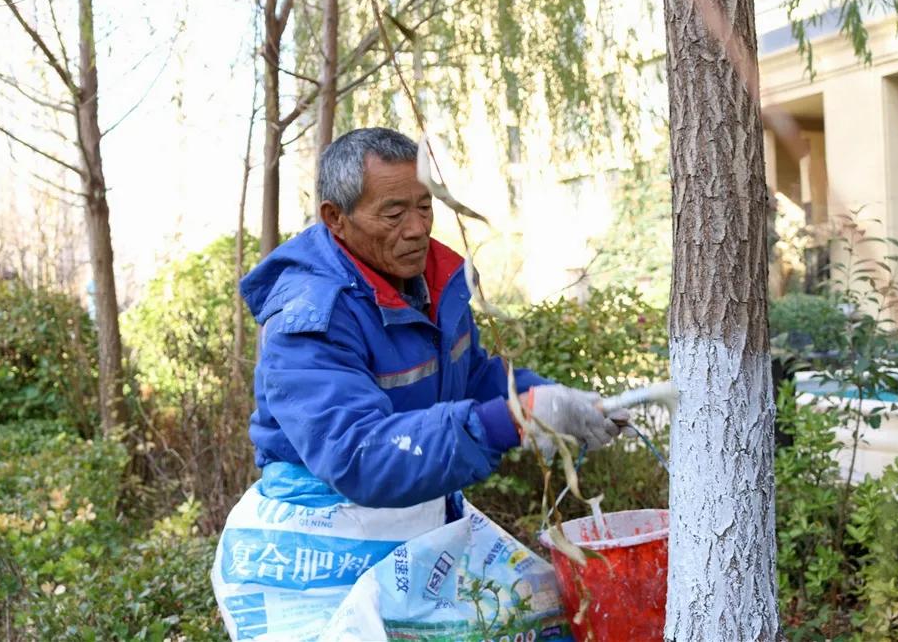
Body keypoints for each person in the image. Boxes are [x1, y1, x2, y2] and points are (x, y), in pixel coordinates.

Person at [212, 127, 625, 641]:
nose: (416, 229)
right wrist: (508, 421)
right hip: (325, 537)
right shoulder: (309, 317)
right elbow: (357, 454)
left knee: (545, 617)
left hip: (416, 519)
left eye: (424, 207)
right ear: (335, 219)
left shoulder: (434, 279)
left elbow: (469, 375)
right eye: (393, 213)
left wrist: (558, 401)